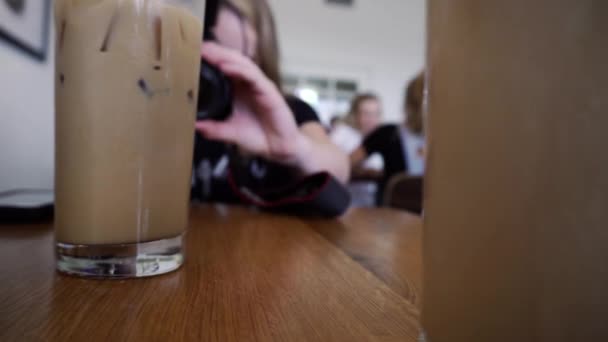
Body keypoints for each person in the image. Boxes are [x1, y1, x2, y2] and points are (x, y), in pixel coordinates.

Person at [192, 0, 349, 203]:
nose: (210, 76)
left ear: (260, 55)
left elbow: (340, 171)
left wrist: (294, 147)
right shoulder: (158, 109)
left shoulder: (291, 111)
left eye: (231, 60)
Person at [350, 72, 426, 205]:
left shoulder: (387, 133)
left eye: (376, 113)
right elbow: (348, 163)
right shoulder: (387, 134)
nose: (371, 119)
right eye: (366, 113)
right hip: (391, 214)